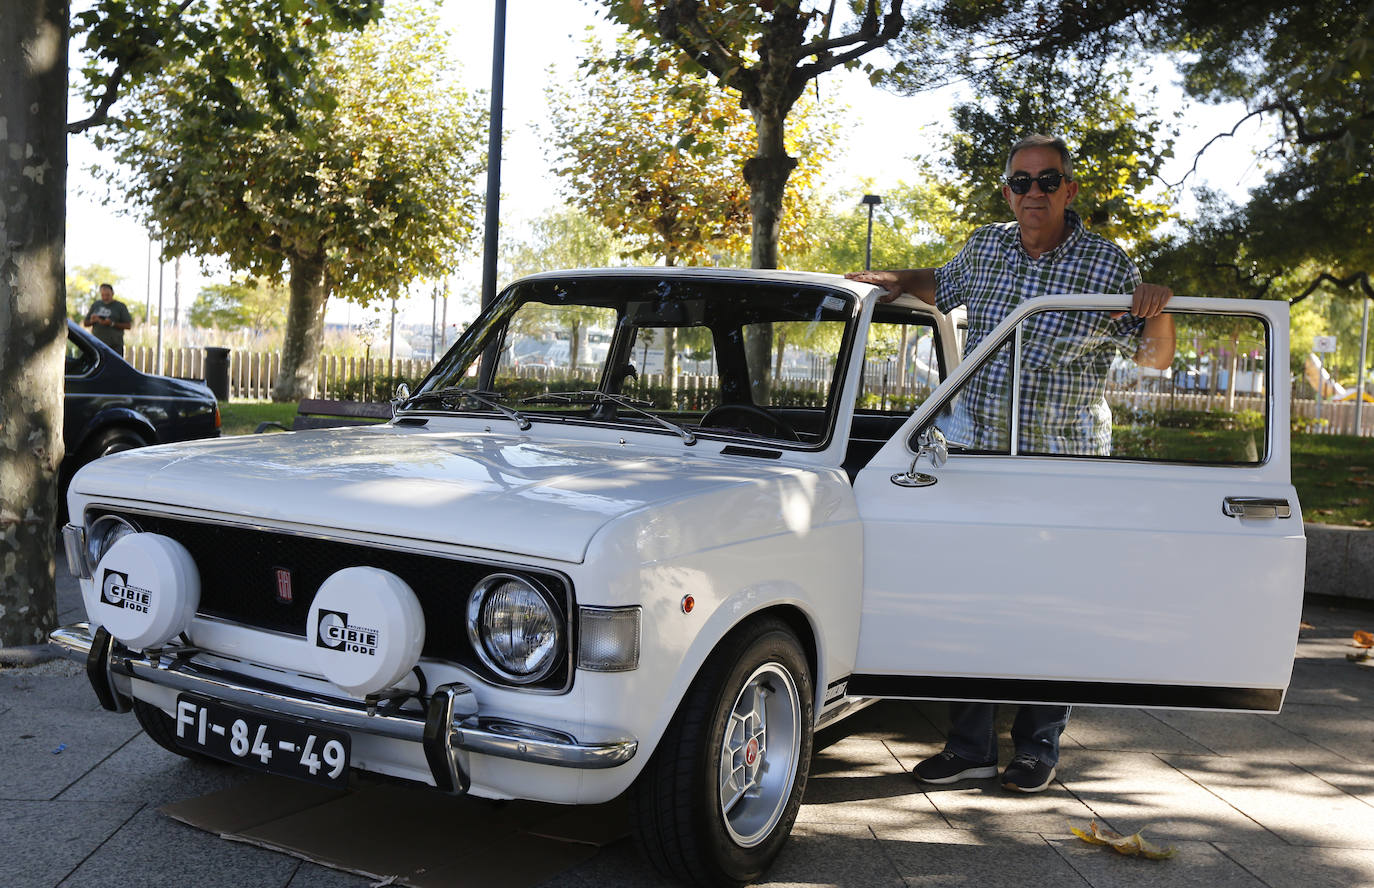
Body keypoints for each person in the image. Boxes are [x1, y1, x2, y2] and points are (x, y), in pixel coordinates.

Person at [846, 134, 1175, 793]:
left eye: (1047, 181)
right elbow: (942, 284)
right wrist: (895, 280)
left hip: (1065, 464)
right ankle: (968, 747)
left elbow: (1154, 359)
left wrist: (1158, 305)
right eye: (1021, 182)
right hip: (977, 453)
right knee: (970, 597)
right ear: (1007, 190)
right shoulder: (987, 246)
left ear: (1069, 190)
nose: (1033, 194)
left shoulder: (1107, 264)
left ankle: (1036, 749)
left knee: (1054, 604)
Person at [84, 283, 134, 353]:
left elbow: (128, 326)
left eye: (107, 295)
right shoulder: (96, 305)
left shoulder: (120, 306)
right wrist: (92, 321)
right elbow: (86, 323)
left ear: (112, 293)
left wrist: (111, 323)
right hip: (97, 344)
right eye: (102, 295)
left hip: (115, 346)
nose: (105, 297)